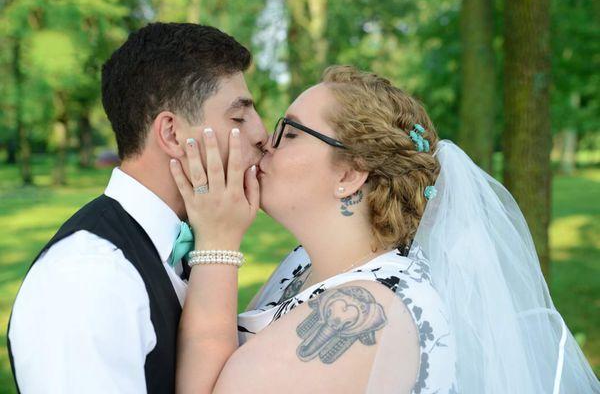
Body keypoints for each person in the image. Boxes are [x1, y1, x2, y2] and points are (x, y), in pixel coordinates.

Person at [171, 65, 600, 393]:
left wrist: (219, 243)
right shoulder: (306, 265)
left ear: (352, 174)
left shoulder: (371, 307)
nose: (265, 140)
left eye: (290, 131)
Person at [7, 22, 268, 393]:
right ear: (172, 134)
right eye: (238, 118)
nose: (261, 134)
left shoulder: (186, 242)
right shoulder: (89, 279)